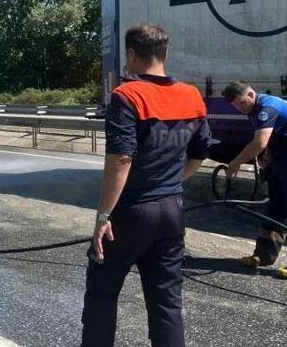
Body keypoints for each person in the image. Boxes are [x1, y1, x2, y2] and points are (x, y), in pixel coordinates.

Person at [81, 23, 213, 347]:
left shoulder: (127, 95)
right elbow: (199, 154)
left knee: (102, 295)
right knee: (166, 303)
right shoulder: (191, 96)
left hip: (130, 214)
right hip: (171, 212)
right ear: (165, 53)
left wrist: (102, 217)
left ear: (130, 54)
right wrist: (172, 183)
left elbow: (121, 160)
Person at [224, 81, 287, 280]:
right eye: (236, 106)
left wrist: (235, 162)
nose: (240, 108)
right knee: (275, 207)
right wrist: (266, 155)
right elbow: (270, 137)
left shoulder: (268, 107)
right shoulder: (253, 109)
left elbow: (260, 141)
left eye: (241, 103)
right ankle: (264, 255)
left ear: (251, 94)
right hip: (283, 156)